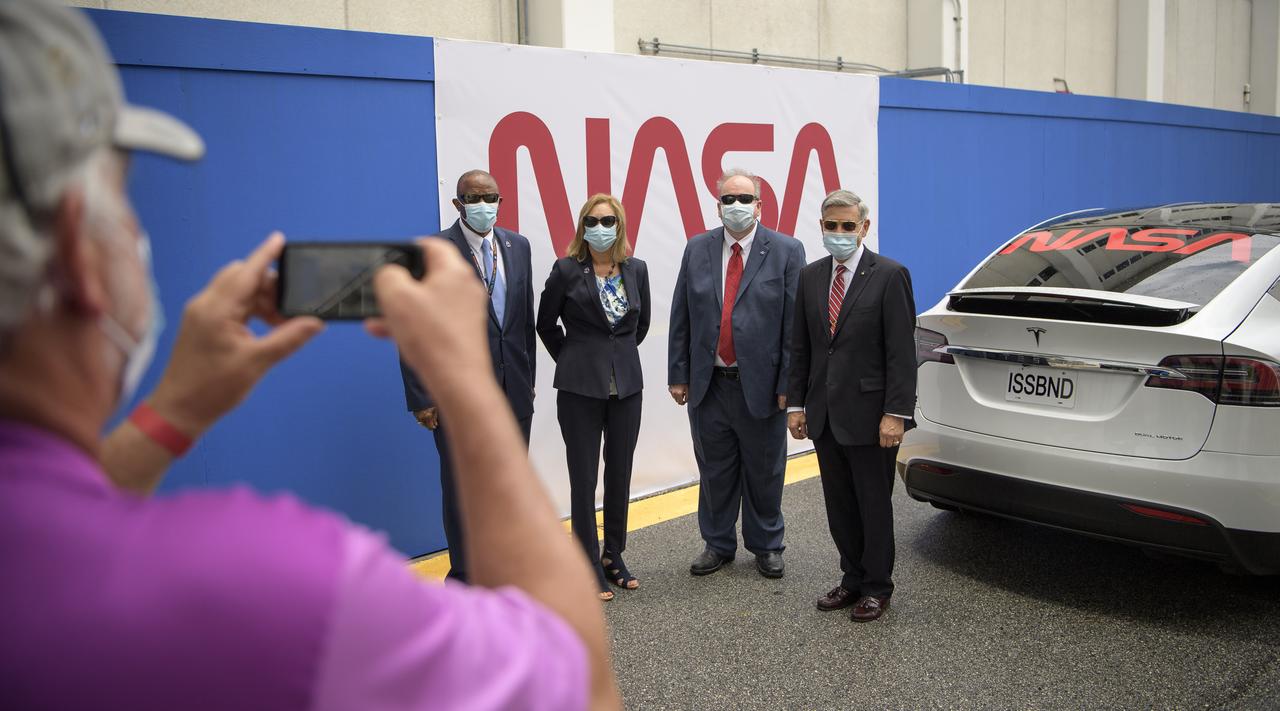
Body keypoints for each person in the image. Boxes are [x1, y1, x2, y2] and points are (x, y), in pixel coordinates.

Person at [0, 2, 620, 708]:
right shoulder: (275, 577)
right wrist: (462, 382)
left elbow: (70, 519)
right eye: (123, 203)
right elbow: (577, 678)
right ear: (79, 253)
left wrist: (174, 409)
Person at [398, 168, 536, 583]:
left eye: (490, 197)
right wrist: (421, 396)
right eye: (473, 198)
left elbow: (522, 319)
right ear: (458, 203)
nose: (483, 205)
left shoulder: (517, 246)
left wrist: (528, 379)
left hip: (513, 391)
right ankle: (464, 577)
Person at [786, 189, 917, 623]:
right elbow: (801, 347)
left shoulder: (890, 275)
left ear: (864, 227)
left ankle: (878, 587)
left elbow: (901, 352)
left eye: (848, 225)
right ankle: (852, 578)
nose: (839, 233)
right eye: (832, 226)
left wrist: (895, 414)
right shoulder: (810, 277)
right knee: (840, 505)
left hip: (872, 417)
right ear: (821, 227)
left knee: (873, 505)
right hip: (824, 415)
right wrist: (797, 405)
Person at [668, 168, 805, 579]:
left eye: (744, 198)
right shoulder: (697, 248)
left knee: (765, 471)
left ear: (759, 206)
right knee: (715, 470)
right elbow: (681, 314)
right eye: (728, 199)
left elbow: (794, 326)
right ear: (718, 206)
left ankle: (767, 544)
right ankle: (718, 543)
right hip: (709, 384)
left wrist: (789, 384)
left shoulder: (786, 250)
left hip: (761, 386)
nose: (736, 206)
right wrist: (678, 373)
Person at [536, 194, 651, 602]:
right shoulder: (566, 269)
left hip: (627, 389)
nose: (600, 228)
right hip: (579, 390)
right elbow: (545, 323)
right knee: (583, 477)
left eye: (608, 221)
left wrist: (616, 361)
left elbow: (640, 325)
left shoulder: (636, 269)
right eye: (592, 221)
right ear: (582, 226)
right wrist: (574, 359)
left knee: (620, 472)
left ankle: (613, 555)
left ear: (620, 226)